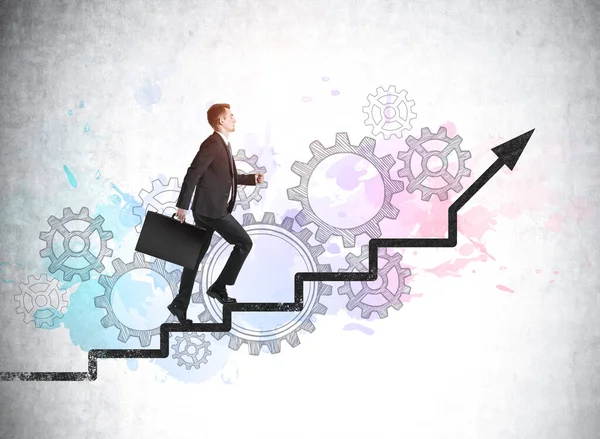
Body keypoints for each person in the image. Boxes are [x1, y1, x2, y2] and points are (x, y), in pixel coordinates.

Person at [167, 103, 265, 324]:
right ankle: (219, 287)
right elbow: (193, 173)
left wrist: (250, 179)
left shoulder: (222, 144)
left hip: (206, 210)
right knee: (244, 243)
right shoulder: (212, 144)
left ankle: (179, 305)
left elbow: (225, 176)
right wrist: (182, 206)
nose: (234, 119)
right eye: (231, 116)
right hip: (212, 211)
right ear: (221, 121)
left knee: (194, 258)